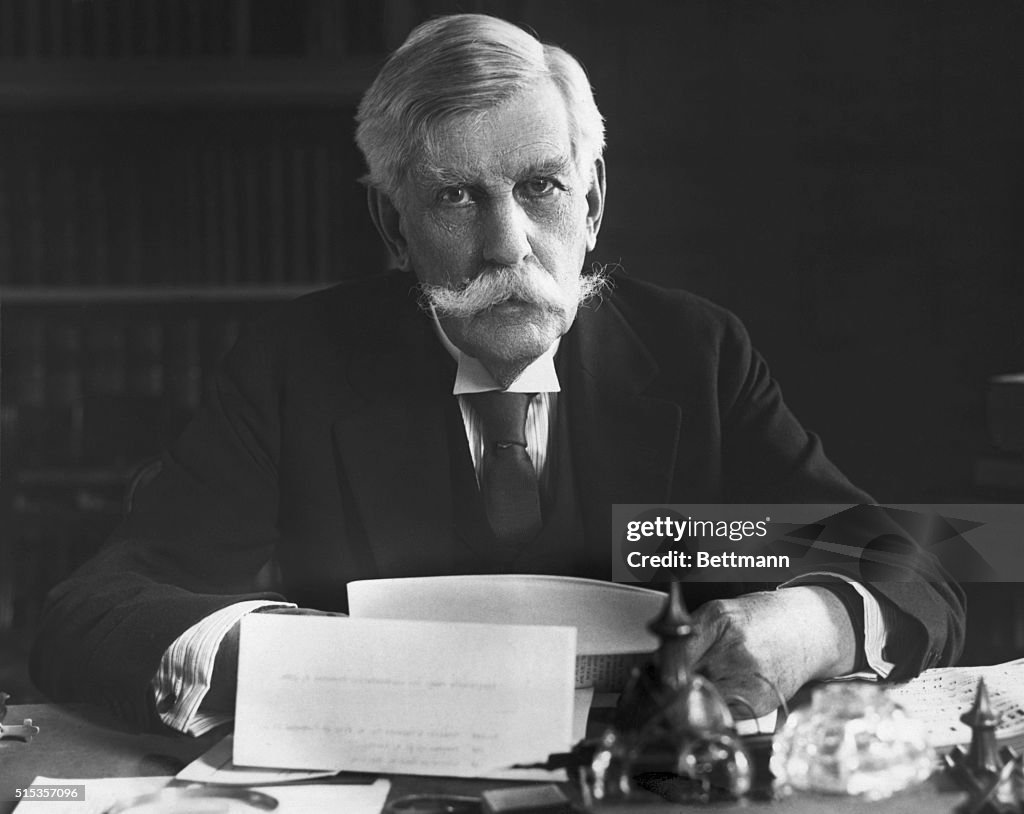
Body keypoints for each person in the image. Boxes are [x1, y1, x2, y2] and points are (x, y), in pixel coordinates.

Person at [31, 13, 963, 734]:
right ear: (395, 229)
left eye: (541, 187)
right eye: (454, 197)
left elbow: (925, 558)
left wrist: (813, 623)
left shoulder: (695, 357)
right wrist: (274, 655)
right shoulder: (296, 368)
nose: (508, 244)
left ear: (592, 203)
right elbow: (92, 612)